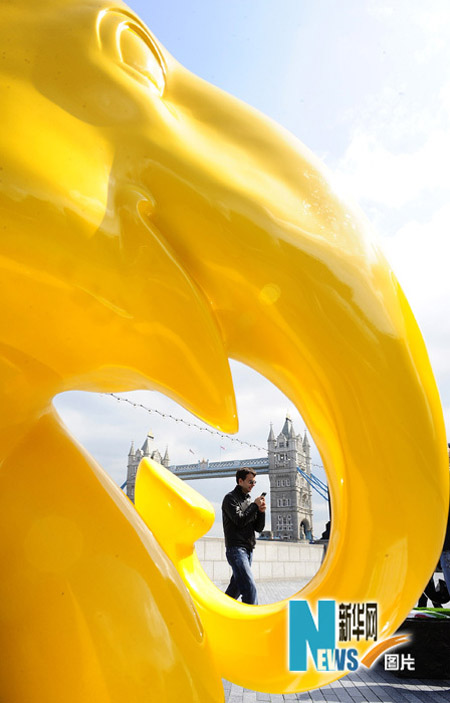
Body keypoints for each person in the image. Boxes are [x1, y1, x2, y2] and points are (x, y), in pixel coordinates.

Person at [222, 467, 266, 605]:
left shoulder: (249, 500)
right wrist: (254, 506)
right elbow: (239, 520)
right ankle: (254, 620)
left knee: (234, 590)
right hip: (236, 549)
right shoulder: (230, 499)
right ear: (240, 481)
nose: (253, 485)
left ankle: (222, 612)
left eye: (254, 482)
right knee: (249, 587)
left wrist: (261, 512)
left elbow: (258, 528)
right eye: (250, 482)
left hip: (248, 549)